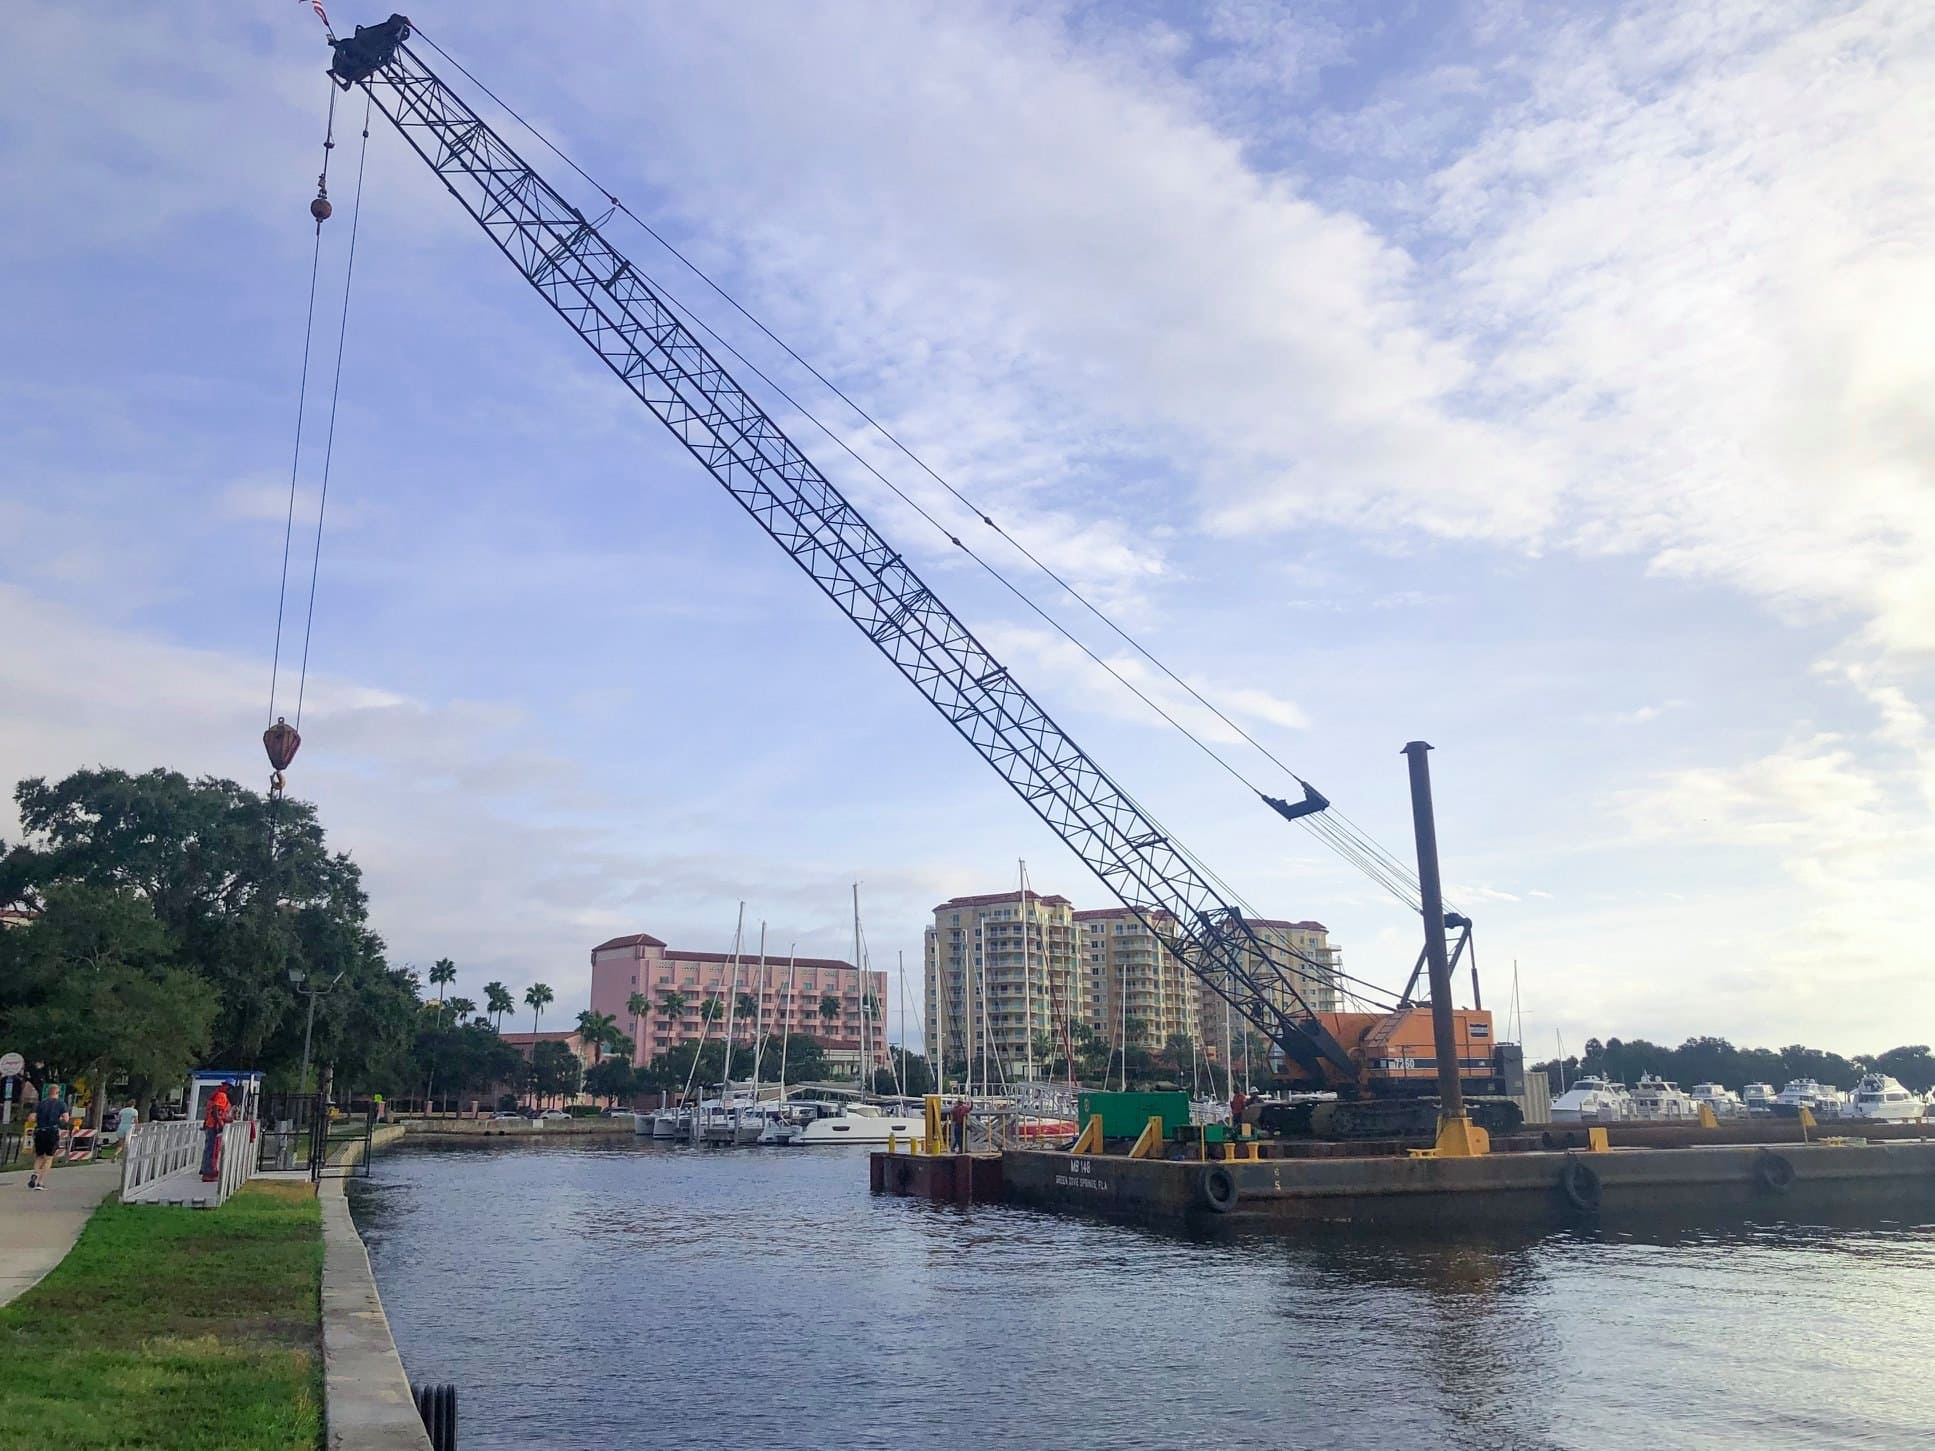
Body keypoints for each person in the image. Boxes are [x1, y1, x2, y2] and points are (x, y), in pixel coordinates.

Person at [26, 1088, 70, 1191]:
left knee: (39, 1156)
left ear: (48, 1092)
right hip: (52, 1131)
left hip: (40, 1131)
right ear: (58, 1093)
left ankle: (35, 1173)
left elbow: (31, 1118)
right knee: (49, 1158)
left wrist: (39, 1119)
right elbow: (66, 1119)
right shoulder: (61, 1104)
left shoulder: (40, 1104)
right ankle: (40, 1182)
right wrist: (59, 1119)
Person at [200, 1081, 234, 1182]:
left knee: (209, 1149)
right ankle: (208, 1172)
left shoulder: (216, 1094)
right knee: (212, 1150)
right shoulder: (221, 1095)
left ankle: (207, 1170)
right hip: (213, 1126)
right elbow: (216, 1110)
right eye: (230, 1088)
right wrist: (220, 1124)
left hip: (210, 1125)